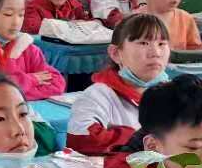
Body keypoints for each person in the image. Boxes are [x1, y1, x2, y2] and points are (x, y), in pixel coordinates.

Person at [67, 14, 171, 155]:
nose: (156, 53)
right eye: (143, 43)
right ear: (116, 53)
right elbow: (82, 140)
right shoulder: (96, 96)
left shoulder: (176, 95)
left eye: (162, 44)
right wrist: (143, 138)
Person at [0, 0, 64, 100]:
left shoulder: (26, 47)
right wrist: (31, 79)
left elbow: (57, 84)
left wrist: (17, 89)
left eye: (21, 15)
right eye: (8, 14)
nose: (16, 22)